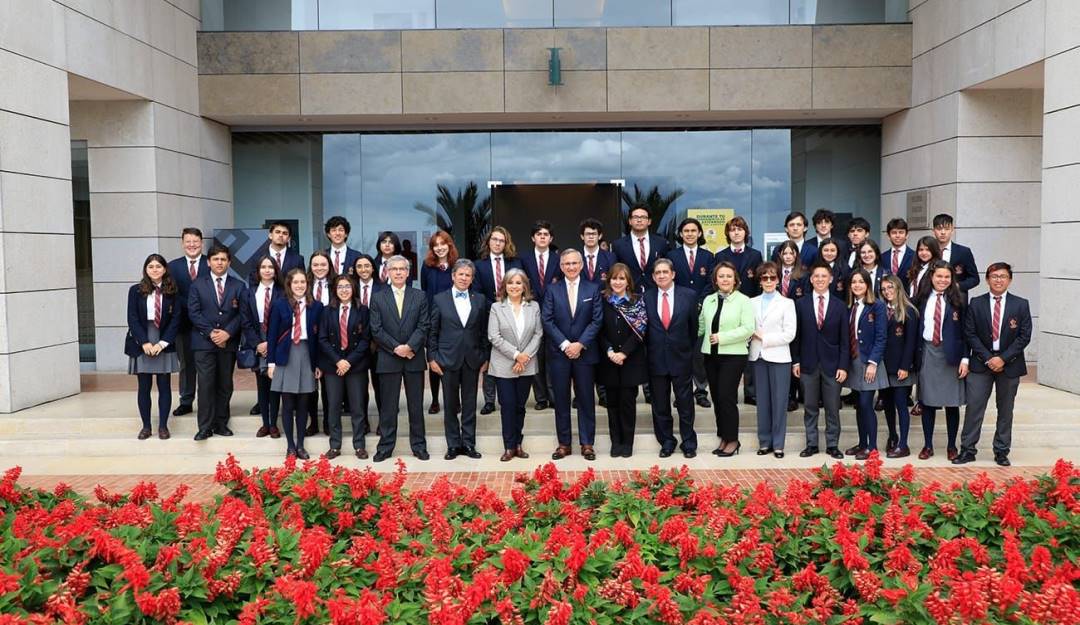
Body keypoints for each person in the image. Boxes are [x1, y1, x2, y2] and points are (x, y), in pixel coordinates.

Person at [956, 263, 1031, 466]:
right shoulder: (976, 303)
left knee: (1005, 410)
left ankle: (1001, 451)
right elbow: (970, 333)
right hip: (981, 364)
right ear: (987, 279)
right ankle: (968, 449)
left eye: (1003, 276)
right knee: (974, 408)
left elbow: (1024, 336)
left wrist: (1003, 358)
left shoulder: (1021, 304)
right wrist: (989, 358)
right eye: (994, 276)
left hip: (1010, 365)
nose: (998, 280)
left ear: (1010, 280)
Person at [542, 249, 603, 461]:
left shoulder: (593, 288)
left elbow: (597, 320)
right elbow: (547, 320)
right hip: (559, 354)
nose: (571, 267)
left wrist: (580, 344)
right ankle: (564, 444)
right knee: (561, 400)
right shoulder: (552, 290)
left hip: (585, 354)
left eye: (575, 263)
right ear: (561, 266)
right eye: (567, 263)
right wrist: (566, 344)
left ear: (581, 265)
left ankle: (587, 443)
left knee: (586, 399)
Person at [369, 255, 430, 462]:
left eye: (402, 269)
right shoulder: (378, 297)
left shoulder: (420, 296)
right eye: (394, 269)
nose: (398, 272)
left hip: (414, 358)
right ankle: (385, 447)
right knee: (388, 407)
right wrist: (397, 348)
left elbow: (424, 325)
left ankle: (419, 446)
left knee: (416, 406)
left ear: (408, 272)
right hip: (388, 358)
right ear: (387, 272)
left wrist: (409, 346)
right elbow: (376, 329)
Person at [428, 259, 490, 460]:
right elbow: (433, 331)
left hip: (472, 359)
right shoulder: (439, 299)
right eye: (461, 274)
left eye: (468, 275)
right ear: (453, 276)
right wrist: (432, 358)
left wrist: (485, 356)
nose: (464, 278)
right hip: (447, 359)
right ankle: (453, 445)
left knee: (470, 404)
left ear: (472, 279)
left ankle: (469, 444)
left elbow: (483, 331)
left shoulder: (480, 299)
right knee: (450, 404)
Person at [791, 263, 850, 459]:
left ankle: (832, 445)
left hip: (833, 365)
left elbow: (845, 340)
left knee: (832, 408)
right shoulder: (801, 304)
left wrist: (843, 366)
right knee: (810, 407)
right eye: (816, 276)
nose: (820, 279)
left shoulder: (840, 306)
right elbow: (797, 336)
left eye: (824, 276)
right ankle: (812, 444)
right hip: (808, 363)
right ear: (811, 279)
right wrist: (796, 361)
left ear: (831, 279)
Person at [188, 244, 246, 441]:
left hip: (228, 343)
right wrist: (212, 333)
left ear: (229, 262)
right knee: (205, 385)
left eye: (223, 259)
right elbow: (194, 312)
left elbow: (242, 314)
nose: (219, 263)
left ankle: (221, 423)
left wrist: (227, 333)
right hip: (203, 343)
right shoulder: (197, 285)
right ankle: (204, 427)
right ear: (208, 262)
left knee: (225, 384)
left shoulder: (238, 285)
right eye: (216, 259)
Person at [699, 261, 755, 457]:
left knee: (726, 397)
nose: (725, 279)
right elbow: (701, 326)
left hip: (733, 356)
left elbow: (748, 328)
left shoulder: (744, 301)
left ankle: (733, 440)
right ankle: (723, 436)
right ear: (715, 280)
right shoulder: (709, 300)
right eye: (721, 276)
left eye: (728, 276)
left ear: (735, 279)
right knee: (716, 398)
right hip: (711, 356)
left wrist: (722, 337)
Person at [644, 258, 699, 458]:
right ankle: (667, 441)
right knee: (660, 405)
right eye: (657, 273)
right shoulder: (646, 297)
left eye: (665, 272)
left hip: (681, 358)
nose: (661, 275)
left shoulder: (689, 295)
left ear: (673, 274)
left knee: (685, 404)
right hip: (656, 359)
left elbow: (694, 329)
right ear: (653, 277)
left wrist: (685, 349)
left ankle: (688, 443)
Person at [267, 268, 323, 460]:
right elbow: (272, 335)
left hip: (307, 354)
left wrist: (318, 364)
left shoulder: (316, 306)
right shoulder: (279, 304)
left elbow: (319, 337)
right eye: (295, 282)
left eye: (303, 282)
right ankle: (290, 446)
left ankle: (300, 445)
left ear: (307, 284)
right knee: (288, 402)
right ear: (289, 285)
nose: (299, 285)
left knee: (303, 402)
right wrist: (271, 362)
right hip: (286, 354)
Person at [915, 261, 969, 460]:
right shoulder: (921, 298)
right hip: (928, 352)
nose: (943, 280)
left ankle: (951, 446)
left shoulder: (959, 299)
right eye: (939, 276)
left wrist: (965, 358)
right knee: (927, 402)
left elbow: (966, 332)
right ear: (931, 277)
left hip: (951, 356)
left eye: (947, 277)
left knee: (951, 403)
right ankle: (928, 445)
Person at [125, 254, 181, 440]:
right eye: (151, 267)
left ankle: (163, 426)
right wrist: (145, 342)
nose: (155, 270)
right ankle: (146, 426)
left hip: (164, 340)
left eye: (158, 266)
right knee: (144, 386)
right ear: (145, 270)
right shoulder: (135, 290)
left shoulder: (172, 291)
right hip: (142, 339)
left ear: (164, 269)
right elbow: (132, 318)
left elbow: (176, 319)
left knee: (164, 385)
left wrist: (163, 343)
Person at [487, 269, 541, 462]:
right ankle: (509, 446)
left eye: (518, 283)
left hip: (526, 364)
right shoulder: (496, 307)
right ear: (505, 286)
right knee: (508, 406)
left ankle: (518, 443)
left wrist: (524, 358)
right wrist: (517, 355)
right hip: (504, 365)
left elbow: (538, 334)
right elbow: (494, 336)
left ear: (525, 286)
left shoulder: (533, 306)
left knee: (520, 406)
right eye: (510, 283)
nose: (514, 286)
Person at [318, 274, 371, 459]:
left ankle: (359, 445)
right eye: (340, 287)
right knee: (333, 406)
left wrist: (348, 361)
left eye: (347, 286)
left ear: (353, 288)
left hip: (356, 366)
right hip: (333, 366)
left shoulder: (363, 310)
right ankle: (335, 445)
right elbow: (322, 339)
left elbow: (366, 340)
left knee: (357, 407)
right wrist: (338, 361)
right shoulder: (327, 311)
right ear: (335, 290)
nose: (344, 290)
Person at [598, 263, 648, 457]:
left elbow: (640, 331)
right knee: (612, 404)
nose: (617, 282)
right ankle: (615, 443)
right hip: (609, 361)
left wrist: (624, 353)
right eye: (614, 278)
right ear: (609, 280)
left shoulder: (637, 301)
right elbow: (598, 330)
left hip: (631, 361)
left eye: (622, 278)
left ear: (628, 282)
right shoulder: (603, 301)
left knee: (627, 404)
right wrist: (610, 351)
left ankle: (627, 443)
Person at [748, 262, 796, 458]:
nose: (768, 281)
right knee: (763, 402)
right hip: (758, 356)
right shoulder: (751, 302)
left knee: (779, 402)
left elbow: (790, 334)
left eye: (772, 277)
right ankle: (764, 442)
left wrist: (764, 338)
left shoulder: (787, 303)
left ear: (778, 280)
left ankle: (778, 444)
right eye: (764, 277)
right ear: (759, 281)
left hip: (779, 358)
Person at [713, 216, 763, 405]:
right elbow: (716, 283)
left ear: (745, 233)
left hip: (749, 306)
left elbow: (758, 283)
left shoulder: (755, 255)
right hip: (728, 307)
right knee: (730, 349)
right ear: (728, 233)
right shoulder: (720, 255)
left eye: (739, 229)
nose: (736, 232)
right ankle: (729, 391)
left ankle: (750, 392)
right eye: (733, 229)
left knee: (749, 348)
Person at [474, 226, 523, 415]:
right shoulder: (479, 265)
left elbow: (522, 286)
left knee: (510, 352)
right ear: (488, 242)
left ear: (506, 243)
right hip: (488, 315)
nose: (497, 243)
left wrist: (508, 304)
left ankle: (508, 398)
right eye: (494, 239)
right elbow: (477, 292)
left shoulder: (515, 263)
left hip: (513, 315)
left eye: (501, 240)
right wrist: (496, 305)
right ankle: (489, 400)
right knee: (490, 357)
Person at [668, 217, 715, 409]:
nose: (689, 234)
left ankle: (701, 392)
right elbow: (670, 281)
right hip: (678, 310)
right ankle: (682, 393)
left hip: (702, 310)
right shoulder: (672, 255)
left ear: (699, 233)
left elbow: (711, 282)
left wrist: (699, 302)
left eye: (693, 230)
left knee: (699, 353)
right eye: (686, 231)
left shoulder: (708, 256)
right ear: (680, 234)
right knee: (681, 353)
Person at [844, 269, 888, 460]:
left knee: (865, 403)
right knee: (859, 405)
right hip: (854, 361)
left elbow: (881, 337)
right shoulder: (850, 306)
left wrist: (873, 362)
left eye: (861, 282)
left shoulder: (877, 306)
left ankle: (872, 447)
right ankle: (862, 443)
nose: (857, 285)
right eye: (854, 282)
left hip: (870, 362)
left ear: (868, 284)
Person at [520, 221, 562, 412]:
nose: (542, 237)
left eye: (546, 234)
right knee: (535, 355)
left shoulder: (558, 259)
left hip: (554, 314)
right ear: (533, 238)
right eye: (539, 234)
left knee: (552, 356)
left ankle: (553, 397)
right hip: (530, 311)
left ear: (551, 238)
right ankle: (541, 398)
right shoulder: (523, 258)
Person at [240, 256, 283, 439]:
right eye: (263, 267)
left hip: (277, 340)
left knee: (275, 385)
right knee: (262, 385)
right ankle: (265, 423)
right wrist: (257, 343)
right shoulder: (248, 293)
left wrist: (271, 343)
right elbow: (245, 321)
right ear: (258, 271)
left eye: (270, 267)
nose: (267, 270)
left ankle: (273, 424)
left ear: (275, 270)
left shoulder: (283, 292)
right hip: (257, 341)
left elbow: (285, 320)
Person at [168, 227, 207, 417]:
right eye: (188, 241)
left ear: (202, 243)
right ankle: (186, 401)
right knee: (186, 364)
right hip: (182, 324)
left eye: (195, 241)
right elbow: (170, 294)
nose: (192, 245)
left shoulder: (212, 263)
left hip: (207, 324)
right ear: (182, 243)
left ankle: (208, 402)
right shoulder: (172, 266)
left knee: (207, 366)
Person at [878, 275, 918, 458]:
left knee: (901, 404)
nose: (887, 291)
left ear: (898, 288)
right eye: (884, 289)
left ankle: (903, 444)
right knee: (887, 404)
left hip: (901, 367)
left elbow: (910, 342)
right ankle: (892, 437)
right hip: (884, 366)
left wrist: (905, 366)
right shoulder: (880, 309)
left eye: (890, 287)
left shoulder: (909, 311)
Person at [420, 230, 458, 415]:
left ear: (449, 245)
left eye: (443, 244)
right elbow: (425, 290)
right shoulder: (427, 266)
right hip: (433, 319)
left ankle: (455, 400)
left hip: (453, 319)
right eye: (436, 245)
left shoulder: (457, 265)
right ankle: (435, 400)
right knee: (434, 360)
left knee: (455, 361)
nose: (440, 248)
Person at [304, 251, 335, 436]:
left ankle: (328, 422)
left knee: (328, 385)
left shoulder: (336, 284)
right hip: (309, 340)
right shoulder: (304, 284)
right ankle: (313, 422)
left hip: (330, 340)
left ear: (329, 266)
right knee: (311, 384)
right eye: (315, 264)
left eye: (323, 264)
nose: (319, 268)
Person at [353, 253, 385, 429]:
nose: (363, 269)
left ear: (373, 268)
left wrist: (377, 340)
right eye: (359, 266)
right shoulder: (350, 288)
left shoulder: (383, 289)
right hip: (356, 345)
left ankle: (383, 422)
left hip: (379, 346)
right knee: (359, 387)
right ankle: (363, 422)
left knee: (380, 386)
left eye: (367, 266)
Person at [612, 204, 670, 293]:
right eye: (635, 217)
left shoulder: (661, 243)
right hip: (629, 293)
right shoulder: (618, 245)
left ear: (649, 221)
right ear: (630, 221)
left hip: (655, 292)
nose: (639, 220)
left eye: (643, 217)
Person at [932, 213, 979, 298]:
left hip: (956, 298)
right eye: (939, 229)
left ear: (952, 230)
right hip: (931, 297)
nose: (943, 232)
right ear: (933, 231)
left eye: (947, 229)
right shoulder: (928, 251)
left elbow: (974, 279)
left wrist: (957, 286)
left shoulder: (963, 252)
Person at [251, 220, 304, 285]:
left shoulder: (298, 259)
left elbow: (301, 283)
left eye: (285, 233)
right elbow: (253, 283)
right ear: (270, 235)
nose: (281, 235)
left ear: (289, 238)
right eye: (277, 232)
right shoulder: (257, 257)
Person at [579, 218, 617, 285]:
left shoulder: (610, 257)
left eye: (594, 234)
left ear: (600, 236)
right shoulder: (575, 257)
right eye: (588, 234)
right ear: (582, 236)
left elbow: (614, 280)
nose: (591, 237)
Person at [884, 218, 914, 290]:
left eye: (901, 232)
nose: (897, 235)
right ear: (888, 235)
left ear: (907, 235)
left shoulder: (915, 256)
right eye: (894, 232)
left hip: (907, 296)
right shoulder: (882, 257)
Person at [907, 236, 940, 300]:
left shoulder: (937, 269)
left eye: (928, 250)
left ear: (934, 251)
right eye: (921, 249)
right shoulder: (916, 267)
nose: (924, 253)